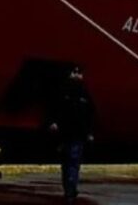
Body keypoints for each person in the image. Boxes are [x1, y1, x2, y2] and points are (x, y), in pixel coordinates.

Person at [49, 65, 95, 203]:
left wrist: (90, 132)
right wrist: (53, 122)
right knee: (67, 164)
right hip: (65, 134)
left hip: (77, 135)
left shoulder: (84, 94)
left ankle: (70, 190)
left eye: (79, 72)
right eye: (74, 72)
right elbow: (54, 108)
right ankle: (69, 188)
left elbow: (91, 115)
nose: (77, 75)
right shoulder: (63, 92)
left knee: (72, 163)